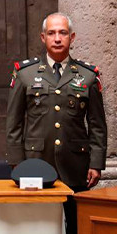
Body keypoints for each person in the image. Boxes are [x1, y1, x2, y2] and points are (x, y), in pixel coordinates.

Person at [6, 12, 106, 234]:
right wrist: (16, 162)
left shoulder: (87, 75)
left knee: (75, 225)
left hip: (75, 165)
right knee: (36, 225)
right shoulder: (25, 74)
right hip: (36, 162)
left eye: (62, 33)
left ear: (72, 37)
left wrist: (96, 163)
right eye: (51, 33)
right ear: (43, 38)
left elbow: (97, 124)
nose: (57, 38)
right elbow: (13, 123)